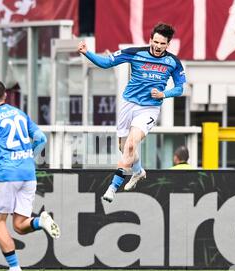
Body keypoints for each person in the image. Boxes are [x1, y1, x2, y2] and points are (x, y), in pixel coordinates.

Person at [78, 23, 186, 202]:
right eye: (156, 42)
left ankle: (112, 188)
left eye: (162, 44)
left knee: (130, 144)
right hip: (128, 104)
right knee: (124, 148)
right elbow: (107, 63)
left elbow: (180, 88)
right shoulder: (135, 53)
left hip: (149, 108)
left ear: (168, 45)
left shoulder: (173, 62)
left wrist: (163, 94)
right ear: (150, 39)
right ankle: (138, 171)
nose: (158, 46)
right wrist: (87, 52)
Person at [0, 79, 60, 271]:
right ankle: (41, 221)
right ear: (5, 95)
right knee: (20, 226)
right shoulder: (20, 114)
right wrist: (29, 157)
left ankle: (14, 268)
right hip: (28, 174)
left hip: (7, 175)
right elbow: (41, 138)